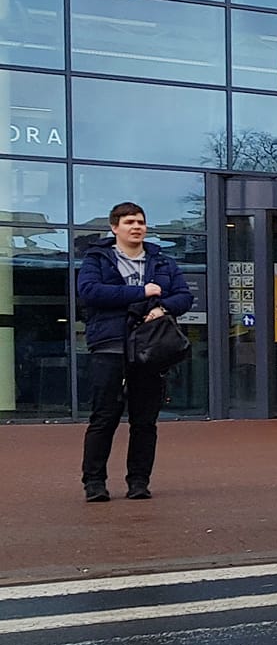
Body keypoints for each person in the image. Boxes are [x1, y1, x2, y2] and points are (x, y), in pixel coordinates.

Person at [76, 202, 191, 502]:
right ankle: (94, 483)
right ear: (114, 227)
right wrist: (142, 292)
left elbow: (184, 296)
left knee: (144, 421)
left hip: (150, 349)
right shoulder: (97, 259)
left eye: (140, 222)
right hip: (110, 345)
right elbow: (90, 292)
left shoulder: (162, 262)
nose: (136, 227)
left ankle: (139, 482)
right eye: (129, 222)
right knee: (104, 417)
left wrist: (162, 308)